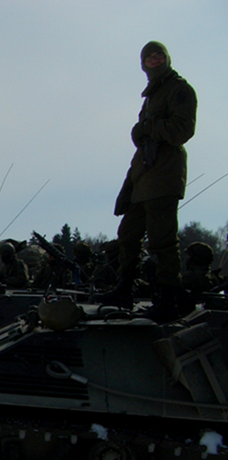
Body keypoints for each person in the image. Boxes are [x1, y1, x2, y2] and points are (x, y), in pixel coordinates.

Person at [96, 41, 197, 322]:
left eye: (159, 56)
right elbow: (142, 150)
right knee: (128, 235)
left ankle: (167, 299)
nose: (154, 60)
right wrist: (128, 188)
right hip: (144, 178)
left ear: (167, 59)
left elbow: (182, 130)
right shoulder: (153, 94)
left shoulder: (179, 89)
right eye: (149, 57)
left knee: (162, 241)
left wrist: (147, 127)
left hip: (164, 176)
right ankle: (124, 289)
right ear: (143, 64)